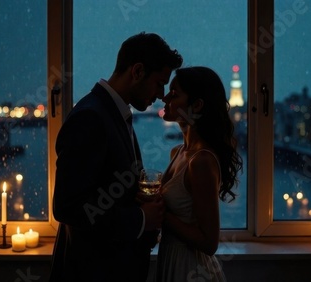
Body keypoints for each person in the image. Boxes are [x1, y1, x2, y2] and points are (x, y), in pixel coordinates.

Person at [50, 32, 183, 282]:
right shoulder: (90, 118)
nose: (161, 94)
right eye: (158, 83)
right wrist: (141, 218)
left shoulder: (110, 113)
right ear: (137, 71)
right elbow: (68, 207)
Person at [156, 66, 242, 282]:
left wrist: (160, 213)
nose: (164, 97)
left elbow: (209, 242)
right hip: (172, 259)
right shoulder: (178, 152)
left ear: (196, 105)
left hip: (190, 267)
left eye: (174, 94)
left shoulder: (202, 161)